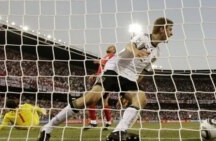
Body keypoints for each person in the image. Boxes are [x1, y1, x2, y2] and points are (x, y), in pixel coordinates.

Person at [38, 17, 173, 141]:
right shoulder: (143, 37)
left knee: (141, 97)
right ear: (162, 29)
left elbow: (142, 72)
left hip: (130, 78)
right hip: (114, 69)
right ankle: (47, 128)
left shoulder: (157, 53)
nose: (172, 33)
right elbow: (129, 45)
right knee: (92, 98)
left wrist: (126, 95)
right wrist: (136, 52)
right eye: (170, 29)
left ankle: (118, 132)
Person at [84, 45, 116, 130]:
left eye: (112, 47)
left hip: (105, 79)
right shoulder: (105, 56)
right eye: (110, 46)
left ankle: (93, 122)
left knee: (92, 99)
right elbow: (101, 69)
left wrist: (99, 61)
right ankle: (108, 122)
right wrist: (94, 75)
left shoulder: (112, 56)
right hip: (101, 78)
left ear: (114, 51)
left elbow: (106, 64)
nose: (110, 47)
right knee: (105, 102)